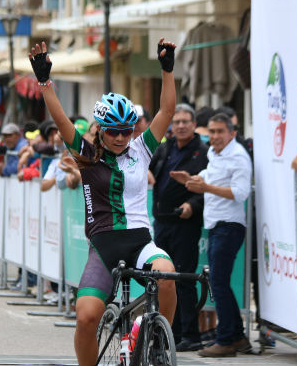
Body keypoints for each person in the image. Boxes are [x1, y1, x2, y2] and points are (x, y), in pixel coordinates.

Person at [28, 38, 177, 366]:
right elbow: (61, 119)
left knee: (166, 274)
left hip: (140, 241)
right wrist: (44, 83)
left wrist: (167, 70)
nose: (121, 138)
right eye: (113, 132)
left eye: (126, 130)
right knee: (86, 318)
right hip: (104, 246)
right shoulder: (85, 154)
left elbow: (167, 111)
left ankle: (157, 344)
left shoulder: (142, 148)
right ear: (101, 130)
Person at [171, 113, 252, 357]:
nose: (215, 136)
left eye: (220, 132)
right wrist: (194, 179)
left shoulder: (238, 157)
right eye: (212, 132)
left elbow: (240, 193)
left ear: (232, 133)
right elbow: (210, 175)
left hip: (229, 226)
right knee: (219, 282)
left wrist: (204, 187)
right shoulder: (214, 153)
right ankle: (237, 337)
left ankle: (226, 339)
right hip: (217, 224)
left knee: (218, 283)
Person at [149, 103, 208, 352]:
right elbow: (150, 170)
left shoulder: (203, 152)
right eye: (178, 122)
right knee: (162, 280)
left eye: (186, 121)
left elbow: (208, 186)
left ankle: (190, 335)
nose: (181, 126)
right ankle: (168, 331)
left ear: (194, 125)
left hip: (185, 224)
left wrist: (192, 205)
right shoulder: (166, 147)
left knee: (183, 279)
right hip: (161, 222)